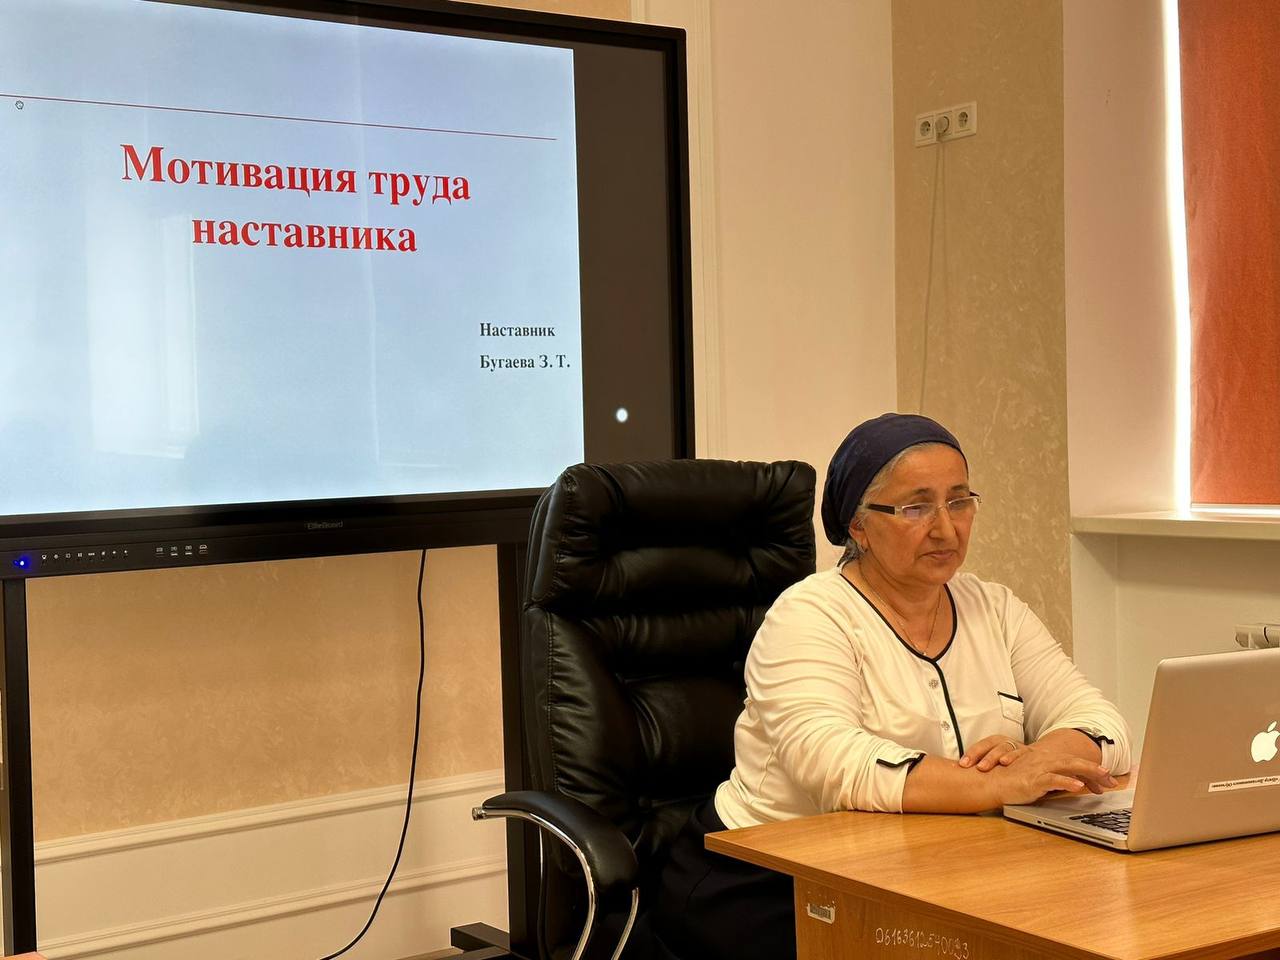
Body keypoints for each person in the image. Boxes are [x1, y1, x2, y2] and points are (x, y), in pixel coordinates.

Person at [651, 413, 1132, 960]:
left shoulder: (995, 608)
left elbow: (1102, 723)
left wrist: (1040, 760)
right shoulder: (810, 615)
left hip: (930, 873)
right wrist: (998, 784)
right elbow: (837, 765)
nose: (946, 529)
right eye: (916, 508)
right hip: (769, 880)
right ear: (859, 527)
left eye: (959, 501)